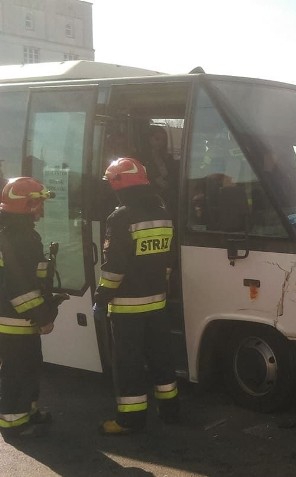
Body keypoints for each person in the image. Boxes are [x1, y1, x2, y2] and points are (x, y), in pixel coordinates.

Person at [95, 157, 179, 435]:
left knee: (128, 363)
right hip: (157, 302)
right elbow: (168, 260)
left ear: (118, 186)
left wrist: (102, 297)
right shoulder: (162, 212)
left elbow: (114, 267)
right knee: (161, 358)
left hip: (127, 308)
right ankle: (170, 410)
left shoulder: (120, 217)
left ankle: (130, 420)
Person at [0, 178, 65, 439]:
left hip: (16, 318)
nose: (42, 209)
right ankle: (13, 423)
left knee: (31, 365)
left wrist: (49, 301)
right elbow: (21, 290)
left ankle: (29, 410)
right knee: (18, 371)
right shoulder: (19, 239)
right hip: (14, 320)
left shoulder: (16, 233)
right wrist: (43, 317)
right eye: (38, 203)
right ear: (26, 206)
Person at [141, 125, 178, 211]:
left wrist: (168, 183)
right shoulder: (142, 158)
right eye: (157, 139)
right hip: (150, 197)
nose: (160, 142)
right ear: (149, 139)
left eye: (164, 140)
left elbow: (173, 174)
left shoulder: (168, 157)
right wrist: (157, 180)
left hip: (168, 195)